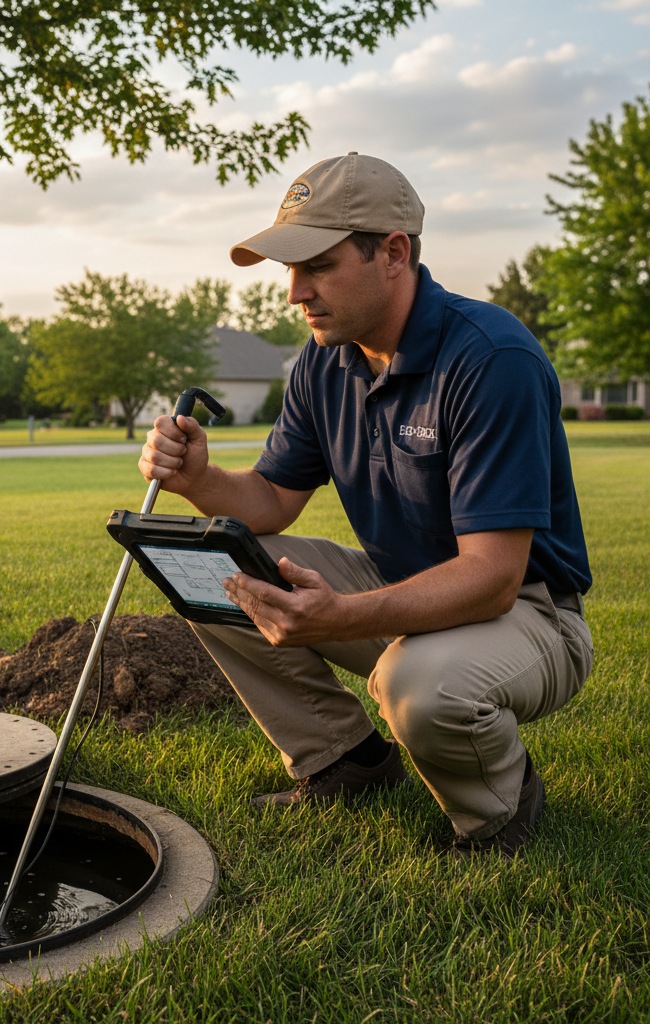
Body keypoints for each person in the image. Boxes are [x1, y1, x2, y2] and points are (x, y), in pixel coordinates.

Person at [139, 152, 593, 857]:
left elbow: (494, 577)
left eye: (315, 265)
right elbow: (270, 499)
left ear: (393, 252)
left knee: (415, 683)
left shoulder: (492, 359)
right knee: (217, 570)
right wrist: (199, 478)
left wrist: (342, 617)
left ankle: (498, 814)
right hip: (403, 583)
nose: (294, 292)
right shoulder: (326, 359)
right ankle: (343, 759)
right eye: (290, 270)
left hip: (531, 611)